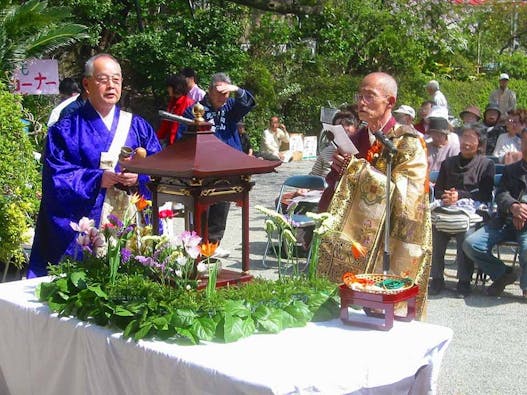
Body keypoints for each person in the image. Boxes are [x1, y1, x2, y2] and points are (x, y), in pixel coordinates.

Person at [27, 54, 162, 278]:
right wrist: (97, 178)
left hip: (129, 218)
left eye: (116, 80)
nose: (111, 85)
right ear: (87, 85)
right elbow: (56, 176)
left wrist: (139, 178)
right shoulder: (66, 129)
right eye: (103, 79)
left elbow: (160, 167)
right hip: (88, 220)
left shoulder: (138, 126)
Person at [317, 72, 431, 319]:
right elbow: (338, 187)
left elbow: (409, 196)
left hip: (392, 238)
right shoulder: (357, 138)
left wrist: (356, 170)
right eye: (360, 96)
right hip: (357, 234)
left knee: (385, 309)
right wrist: (340, 170)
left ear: (389, 102)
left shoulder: (408, 142)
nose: (361, 102)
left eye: (370, 96)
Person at [178, 72, 256, 257]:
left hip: (227, 164)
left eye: (227, 93)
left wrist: (236, 90)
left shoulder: (230, 107)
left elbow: (248, 103)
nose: (224, 97)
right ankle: (198, 244)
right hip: (203, 166)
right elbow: (183, 136)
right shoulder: (195, 109)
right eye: (220, 92)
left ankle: (214, 243)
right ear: (210, 90)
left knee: (222, 202)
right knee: (202, 204)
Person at [429, 124, 495, 298]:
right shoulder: (448, 163)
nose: (466, 142)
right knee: (435, 234)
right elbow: (438, 190)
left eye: (471, 138)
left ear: (479, 142)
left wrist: (460, 195)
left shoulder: (486, 164)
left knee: (465, 235)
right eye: (464, 137)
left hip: (471, 213)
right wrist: (448, 196)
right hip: (447, 211)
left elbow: (485, 193)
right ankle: (436, 278)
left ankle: (464, 281)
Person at [462, 128, 527, 298]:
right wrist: (513, 207)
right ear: (521, 143)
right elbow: (500, 194)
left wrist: (523, 213)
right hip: (505, 221)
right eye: (526, 141)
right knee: (471, 244)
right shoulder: (511, 169)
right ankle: (504, 273)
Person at [310, 110, 359, 177]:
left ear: (356, 128)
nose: (344, 128)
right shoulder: (327, 151)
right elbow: (313, 176)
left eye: (348, 124)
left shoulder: (362, 152)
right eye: (339, 126)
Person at [157, 73, 194, 145]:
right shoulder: (172, 102)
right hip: (170, 142)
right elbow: (166, 123)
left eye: (169, 87)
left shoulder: (189, 103)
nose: (167, 89)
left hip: (181, 143)